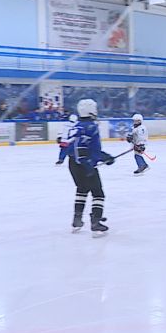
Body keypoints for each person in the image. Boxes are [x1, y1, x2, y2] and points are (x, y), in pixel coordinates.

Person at [62, 99, 116, 237]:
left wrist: (102, 157)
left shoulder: (76, 126)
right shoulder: (91, 126)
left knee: (82, 189)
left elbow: (72, 147)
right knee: (98, 193)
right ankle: (96, 221)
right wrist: (102, 159)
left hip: (73, 164)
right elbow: (89, 150)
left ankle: (77, 220)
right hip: (85, 164)